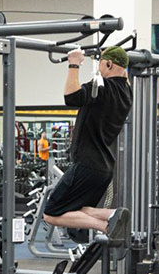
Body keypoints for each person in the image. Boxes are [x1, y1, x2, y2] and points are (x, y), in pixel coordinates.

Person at [42, 46, 132, 239]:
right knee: (77, 209)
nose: (99, 68)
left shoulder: (102, 87)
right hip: (103, 168)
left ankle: (106, 226)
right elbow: (123, 76)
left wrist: (74, 63)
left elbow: (71, 97)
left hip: (87, 164)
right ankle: (111, 215)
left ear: (109, 64)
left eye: (101, 64)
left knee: (50, 213)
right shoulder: (127, 92)